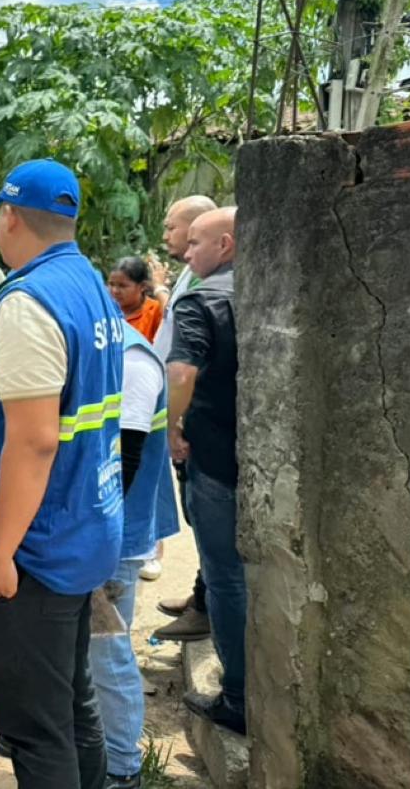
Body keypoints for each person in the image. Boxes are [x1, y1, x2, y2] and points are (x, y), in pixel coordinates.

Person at [0, 159, 125, 789]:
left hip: (32, 548)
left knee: (34, 729)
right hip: (78, 526)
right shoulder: (88, 284)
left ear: (10, 216)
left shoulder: (28, 302)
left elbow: (34, 440)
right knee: (71, 707)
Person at [89, 327, 180, 789]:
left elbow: (124, 459)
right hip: (101, 533)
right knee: (92, 652)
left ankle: (122, 769)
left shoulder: (132, 360)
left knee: (106, 651)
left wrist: (92, 539)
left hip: (114, 538)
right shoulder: (107, 343)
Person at [169, 207, 245, 736]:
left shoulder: (204, 299)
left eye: (196, 242)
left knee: (225, 576)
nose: (187, 252)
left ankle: (238, 696)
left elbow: (181, 373)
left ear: (226, 244)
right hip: (256, 455)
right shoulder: (260, 290)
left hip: (215, 458)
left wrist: (172, 426)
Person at [149, 195, 218, 643]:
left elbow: (186, 366)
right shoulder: (193, 275)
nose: (168, 237)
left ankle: (207, 606)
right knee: (197, 515)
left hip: (192, 416)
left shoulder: (208, 282)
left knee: (205, 515)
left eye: (173, 228)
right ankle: (202, 594)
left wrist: (177, 419)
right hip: (180, 411)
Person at [107, 257, 163, 343]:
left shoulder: (155, 311)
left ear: (142, 286)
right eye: (111, 284)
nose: (115, 291)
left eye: (122, 286)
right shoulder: (105, 311)